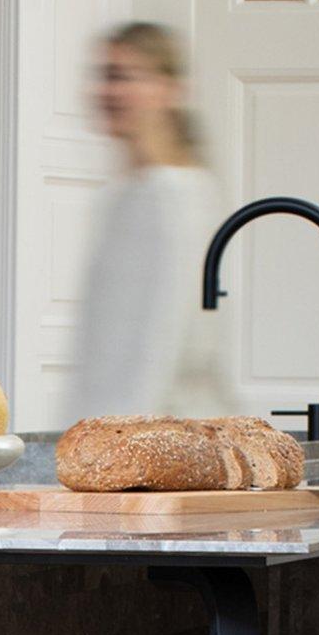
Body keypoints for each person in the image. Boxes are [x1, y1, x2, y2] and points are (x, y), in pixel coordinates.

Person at [62, 21, 230, 423]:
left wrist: (121, 442)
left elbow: (161, 342)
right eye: (104, 76)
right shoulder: (120, 196)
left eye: (123, 77)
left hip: (162, 435)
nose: (107, 91)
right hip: (110, 434)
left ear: (170, 90)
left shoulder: (177, 196)